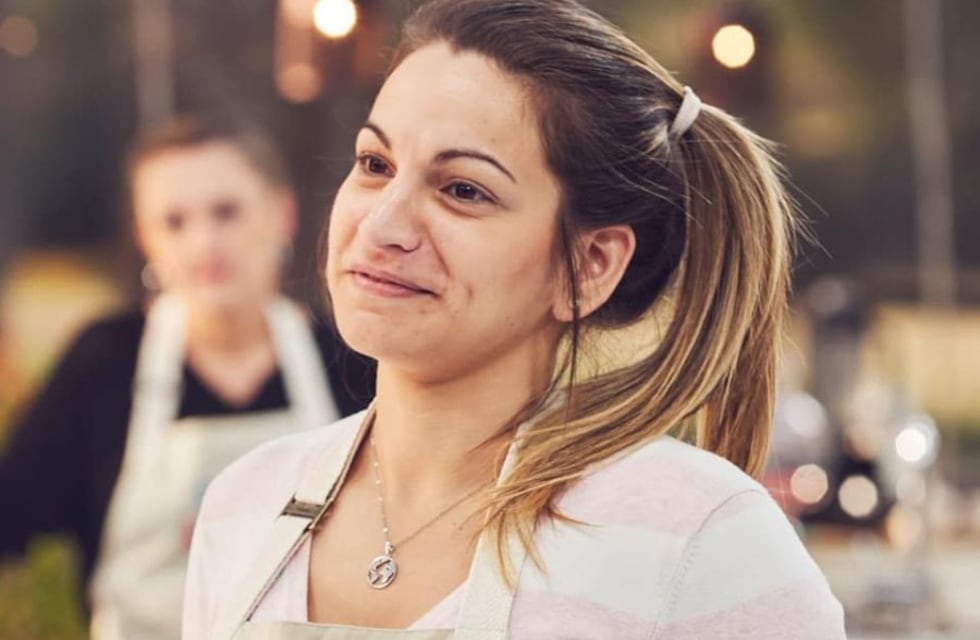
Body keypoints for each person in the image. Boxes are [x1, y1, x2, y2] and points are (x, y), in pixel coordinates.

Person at [183, 1, 846, 638]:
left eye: (463, 190)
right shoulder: (247, 502)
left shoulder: (700, 538)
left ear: (588, 265)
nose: (383, 224)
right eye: (374, 165)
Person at [0, 116, 374, 640]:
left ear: (281, 213)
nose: (205, 243)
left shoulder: (350, 360)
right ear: (143, 234)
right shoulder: (103, 364)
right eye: (175, 221)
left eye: (227, 212)